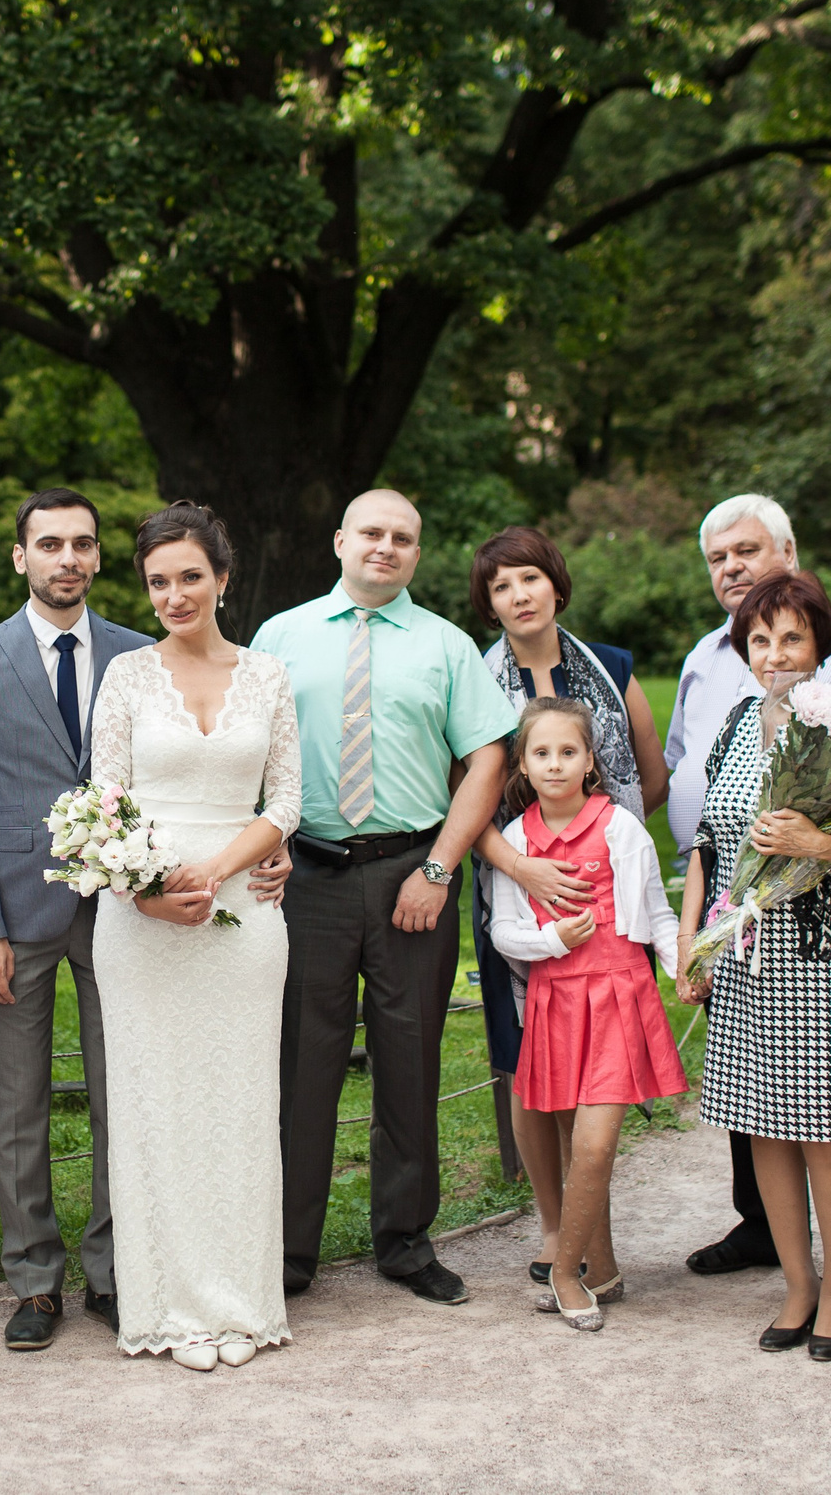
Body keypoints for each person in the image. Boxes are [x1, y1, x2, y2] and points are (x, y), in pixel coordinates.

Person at [253, 490, 514, 1305]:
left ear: (417, 553)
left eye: (403, 538)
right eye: (372, 532)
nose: (386, 547)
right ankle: (290, 1247)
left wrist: (437, 870)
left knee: (410, 1063)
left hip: (411, 873)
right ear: (340, 540)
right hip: (305, 879)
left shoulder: (447, 647)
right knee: (303, 1065)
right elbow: (247, 754)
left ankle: (404, 1240)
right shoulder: (279, 637)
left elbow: (488, 761)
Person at [662, 492, 831, 1297]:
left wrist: (816, 843)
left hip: (829, 954)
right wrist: (692, 940)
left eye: (790, 637)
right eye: (761, 640)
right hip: (743, 956)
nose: (774, 652)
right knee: (762, 1127)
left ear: (817, 642)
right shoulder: (734, 716)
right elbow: (709, 840)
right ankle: (798, 1284)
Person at [87, 502, 303, 1371]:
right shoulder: (127, 679)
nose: (174, 593)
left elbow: (285, 802)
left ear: (222, 576)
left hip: (244, 911)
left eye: (188, 575)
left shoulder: (270, 677)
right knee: (155, 1108)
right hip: (141, 921)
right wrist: (143, 892)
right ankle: (171, 1305)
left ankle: (242, 1302)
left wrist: (217, 870)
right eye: (157, 581)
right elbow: (103, 802)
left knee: (241, 1104)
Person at [0, 488, 150, 1352]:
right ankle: (34, 1279)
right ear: (20, 558)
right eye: (50, 544)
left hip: (120, 911)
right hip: (16, 913)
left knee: (119, 1095)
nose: (69, 558)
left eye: (84, 544)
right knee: (19, 1104)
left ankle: (111, 1271)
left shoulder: (139, 656)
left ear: (99, 559)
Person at [465, 525, 668, 1285]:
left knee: (597, 1073)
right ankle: (556, 1227)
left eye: (529, 578)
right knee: (530, 1065)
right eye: (500, 586)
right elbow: (466, 805)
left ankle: (594, 1237)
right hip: (517, 891)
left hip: (606, 903)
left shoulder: (611, 669)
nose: (518, 595)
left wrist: (598, 852)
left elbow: (648, 777)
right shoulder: (475, 679)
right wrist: (530, 866)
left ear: (555, 582)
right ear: (489, 603)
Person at [483, 698, 683, 1332]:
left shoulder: (621, 827)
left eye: (569, 751)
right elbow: (505, 933)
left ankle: (565, 1273)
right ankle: (606, 1269)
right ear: (522, 765)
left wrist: (685, 966)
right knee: (573, 1144)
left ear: (591, 760)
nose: (555, 763)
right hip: (556, 999)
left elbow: (657, 914)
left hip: (617, 991)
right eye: (541, 753)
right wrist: (551, 943)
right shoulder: (516, 840)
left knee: (595, 1148)